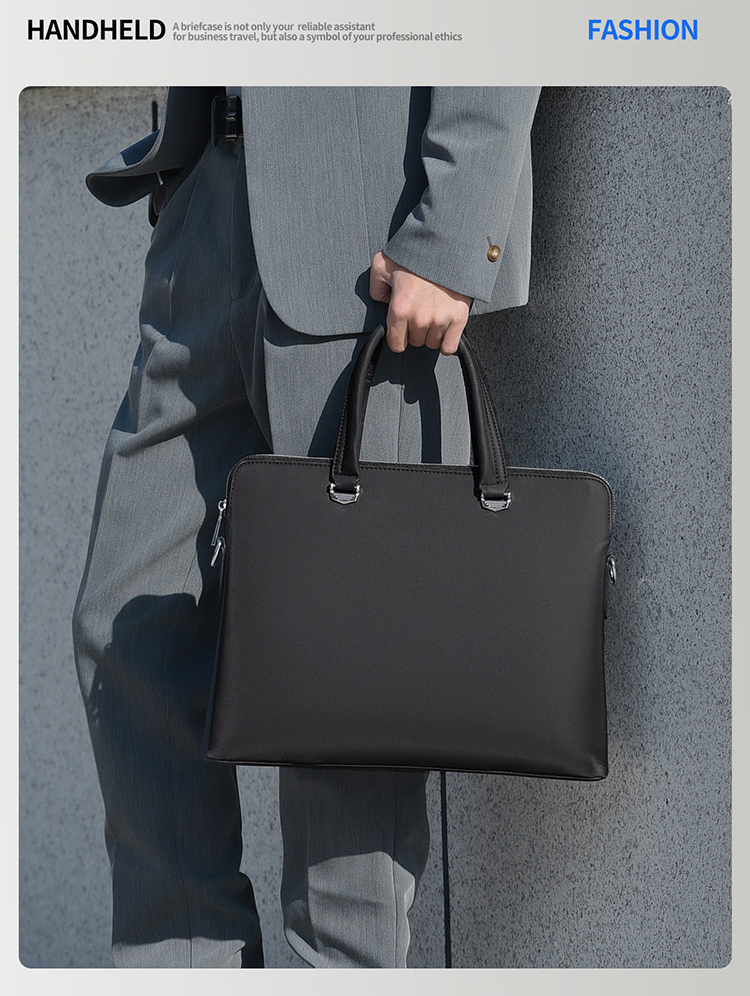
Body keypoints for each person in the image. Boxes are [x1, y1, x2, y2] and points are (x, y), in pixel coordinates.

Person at [72, 85, 541, 968]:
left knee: (346, 671)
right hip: (209, 202)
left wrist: (456, 227)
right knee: (127, 628)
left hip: (369, 233)